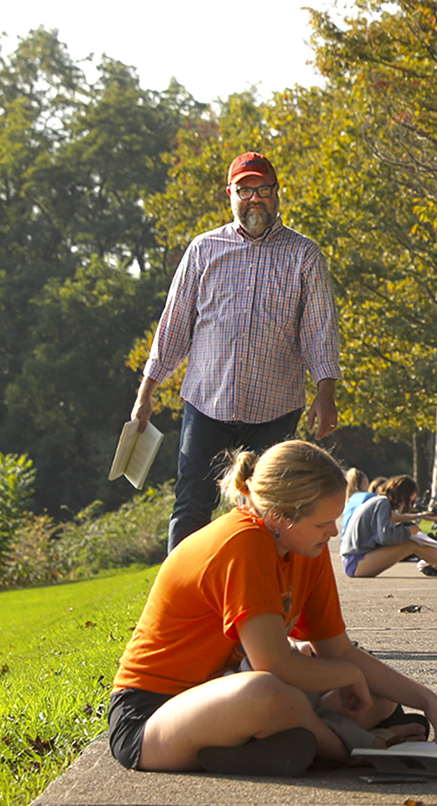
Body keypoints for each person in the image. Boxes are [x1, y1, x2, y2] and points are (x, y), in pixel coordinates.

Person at [106, 441, 437, 777]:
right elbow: (273, 665)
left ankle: (284, 744)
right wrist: (348, 677)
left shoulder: (308, 548)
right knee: (267, 694)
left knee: (380, 697)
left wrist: (428, 701)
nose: (334, 532)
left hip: (224, 687)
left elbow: (339, 651)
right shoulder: (244, 542)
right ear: (278, 516)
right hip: (151, 717)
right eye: (323, 524)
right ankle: (352, 750)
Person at [130, 151, 341, 554]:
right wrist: (145, 394)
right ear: (231, 194)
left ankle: (264, 599)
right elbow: (174, 326)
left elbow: (319, 332)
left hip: (275, 408)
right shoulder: (203, 250)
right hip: (207, 403)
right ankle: (183, 607)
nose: (254, 199)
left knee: (273, 512)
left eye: (262, 189)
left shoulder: (304, 256)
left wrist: (325, 394)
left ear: (277, 194)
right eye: (245, 190)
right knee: (192, 505)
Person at [341, 475, 437, 577]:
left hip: (354, 561)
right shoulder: (382, 503)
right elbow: (385, 537)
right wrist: (408, 531)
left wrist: (419, 516)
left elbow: (394, 517)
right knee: (411, 544)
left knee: (414, 542)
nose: (411, 505)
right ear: (403, 495)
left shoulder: (379, 502)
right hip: (356, 563)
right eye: (411, 501)